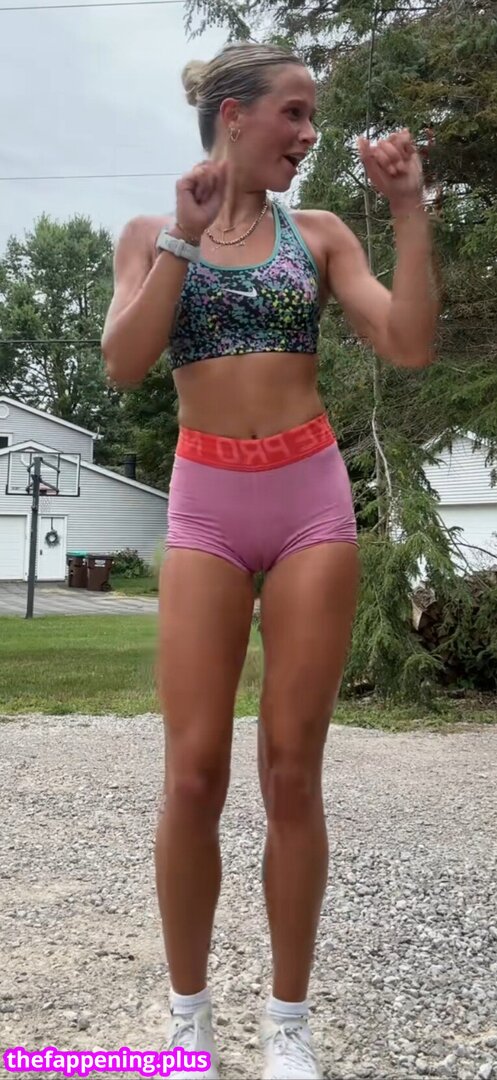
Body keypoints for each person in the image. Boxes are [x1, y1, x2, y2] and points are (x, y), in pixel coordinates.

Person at [102, 41, 439, 1080]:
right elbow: (123, 365)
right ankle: (187, 1025)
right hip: (205, 504)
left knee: (292, 772)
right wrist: (183, 241)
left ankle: (288, 1026)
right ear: (234, 115)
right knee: (193, 772)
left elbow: (407, 342)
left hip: (307, 503)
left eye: (311, 116)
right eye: (292, 113)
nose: (307, 135)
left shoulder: (321, 233)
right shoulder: (151, 233)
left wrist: (408, 213)